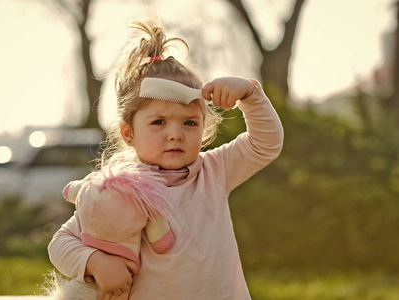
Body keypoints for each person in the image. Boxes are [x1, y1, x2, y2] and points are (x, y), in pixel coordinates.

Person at [48, 18, 284, 300]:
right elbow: (60, 243)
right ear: (128, 133)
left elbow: (265, 143)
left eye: (189, 123)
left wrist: (250, 94)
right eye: (159, 122)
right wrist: (96, 263)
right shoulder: (115, 190)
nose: (175, 134)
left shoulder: (215, 171)